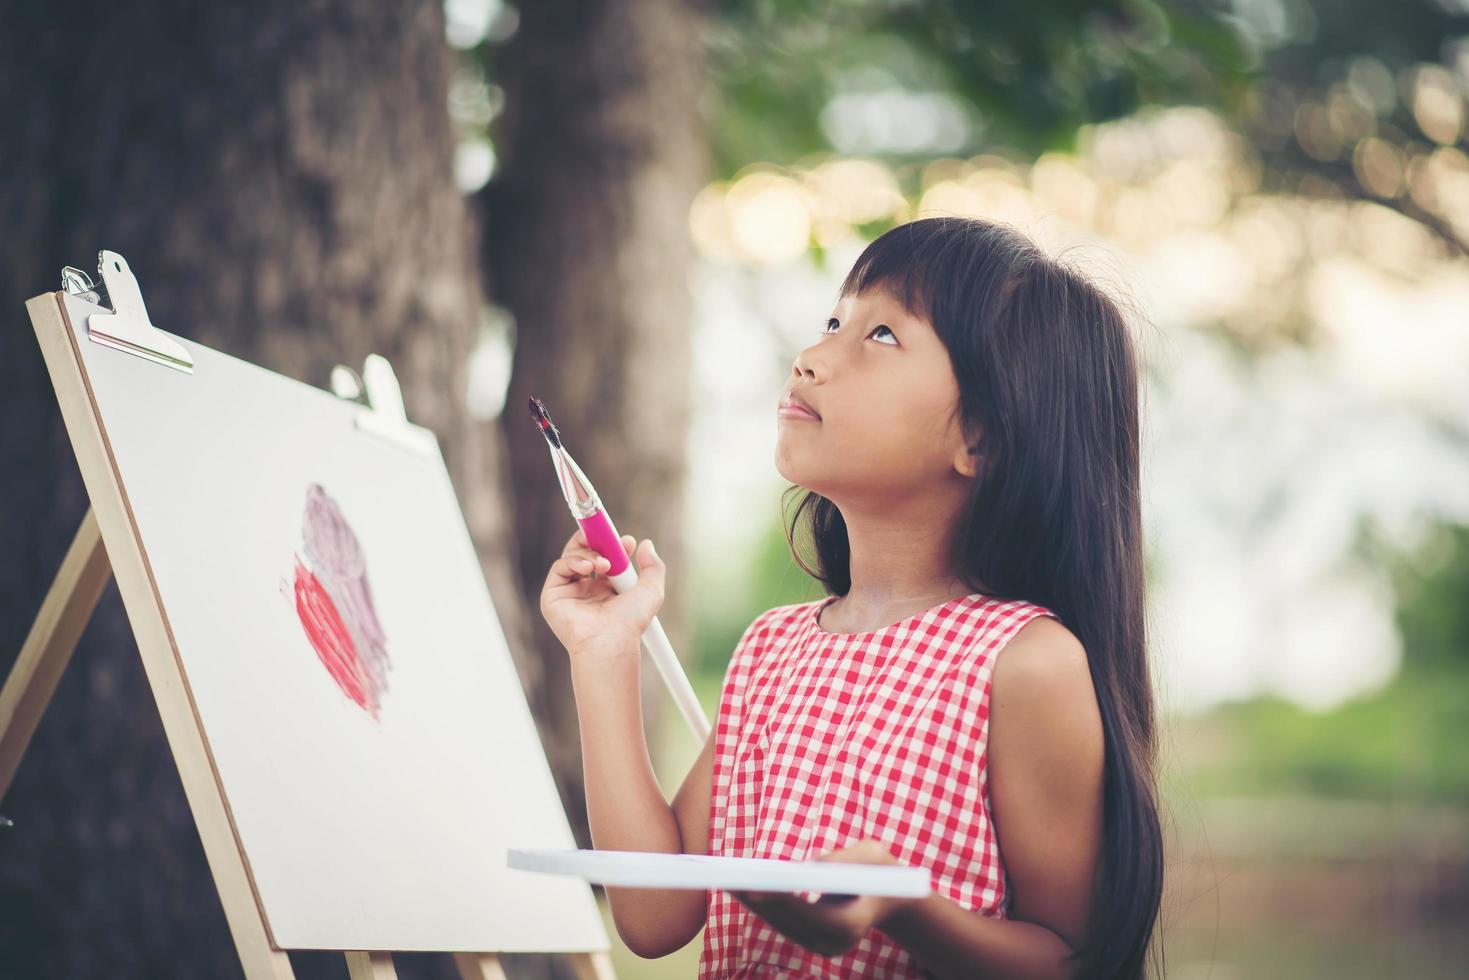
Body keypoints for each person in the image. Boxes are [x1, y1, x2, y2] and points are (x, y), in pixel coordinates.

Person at [540, 216, 1164, 979]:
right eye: (833, 321)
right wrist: (603, 654)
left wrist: (904, 908)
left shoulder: (1025, 663)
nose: (808, 358)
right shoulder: (771, 650)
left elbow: (1069, 960)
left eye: (880, 337)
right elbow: (652, 915)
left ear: (981, 436)